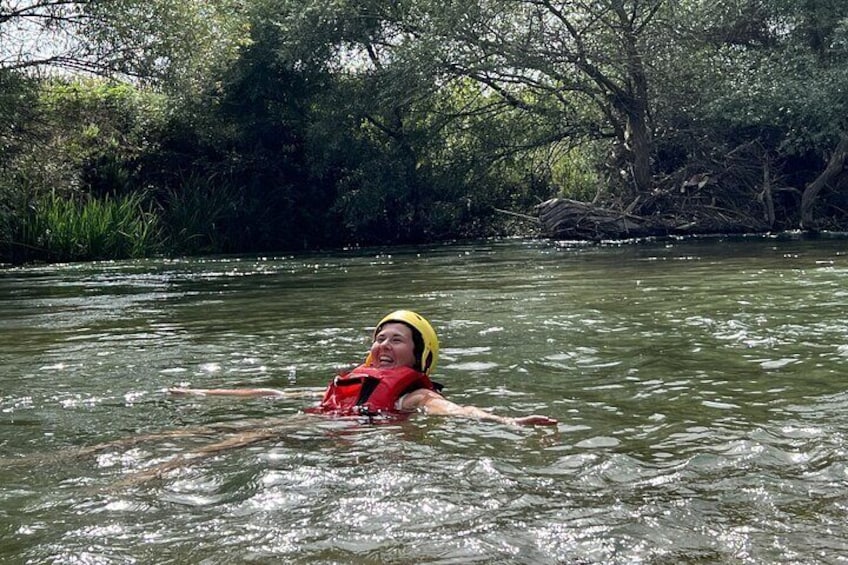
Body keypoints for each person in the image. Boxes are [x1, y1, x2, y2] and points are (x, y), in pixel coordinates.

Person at [170, 310, 557, 426]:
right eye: (380, 338)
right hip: (321, 424)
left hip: (356, 442)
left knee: (232, 440)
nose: (384, 345)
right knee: (226, 436)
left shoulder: (416, 394)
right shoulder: (356, 380)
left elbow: (457, 411)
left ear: (418, 359)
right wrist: (203, 393)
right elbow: (274, 394)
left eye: (397, 340)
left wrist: (508, 421)